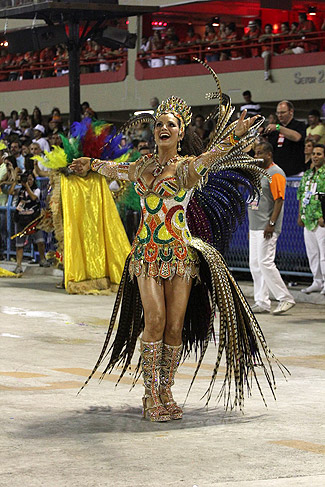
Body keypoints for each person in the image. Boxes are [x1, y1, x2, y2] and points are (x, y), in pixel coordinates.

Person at [71, 61, 282, 422]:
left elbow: (214, 156)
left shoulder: (187, 168)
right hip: (146, 255)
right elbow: (111, 168)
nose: (164, 128)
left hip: (182, 256)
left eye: (171, 124)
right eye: (159, 124)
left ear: (180, 133)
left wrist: (235, 135)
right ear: (154, 133)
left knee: (173, 326)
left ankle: (166, 389)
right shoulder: (140, 167)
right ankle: (150, 394)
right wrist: (88, 163)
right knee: (153, 320)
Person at [248, 142, 295, 314]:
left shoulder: (276, 173)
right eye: (255, 153)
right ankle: (262, 301)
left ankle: (285, 298)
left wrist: (272, 223)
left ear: (269, 154)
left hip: (266, 226)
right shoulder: (259, 172)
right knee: (254, 264)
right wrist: (251, 229)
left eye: (260, 153)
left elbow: (279, 200)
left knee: (265, 262)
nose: (256, 156)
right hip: (255, 226)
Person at [297, 144, 325, 295]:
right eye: (314, 153)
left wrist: (323, 216)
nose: (315, 156)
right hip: (308, 219)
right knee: (313, 253)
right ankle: (317, 281)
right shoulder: (307, 175)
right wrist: (301, 215)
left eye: (319, 154)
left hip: (321, 220)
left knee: (324, 254)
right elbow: (301, 195)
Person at [9, 171, 50, 274]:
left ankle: (43, 259)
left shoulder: (36, 190)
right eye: (26, 179)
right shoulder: (20, 191)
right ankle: (18, 266)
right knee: (20, 245)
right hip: (21, 220)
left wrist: (26, 186)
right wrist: (16, 181)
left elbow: (33, 198)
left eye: (30, 179)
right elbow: (10, 192)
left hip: (34, 220)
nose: (28, 181)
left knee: (40, 241)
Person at [266, 100, 305, 177]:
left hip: (295, 172)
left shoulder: (299, 125)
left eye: (283, 112)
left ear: (291, 111)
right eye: (278, 113)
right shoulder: (274, 130)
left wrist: (278, 128)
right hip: (278, 173)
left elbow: (297, 137)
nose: (280, 115)